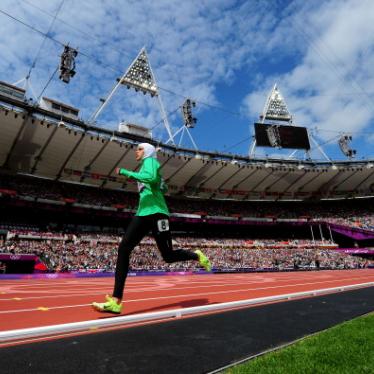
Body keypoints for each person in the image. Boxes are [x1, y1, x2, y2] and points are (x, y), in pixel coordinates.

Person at [92, 143, 211, 314]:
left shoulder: (151, 162)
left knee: (168, 256)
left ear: (147, 151)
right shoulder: (145, 167)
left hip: (158, 214)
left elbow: (151, 178)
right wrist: (160, 184)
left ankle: (196, 255)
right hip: (143, 213)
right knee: (124, 248)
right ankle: (116, 301)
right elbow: (159, 184)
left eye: (140, 149)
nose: (136, 151)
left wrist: (125, 172)